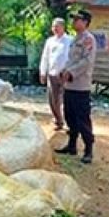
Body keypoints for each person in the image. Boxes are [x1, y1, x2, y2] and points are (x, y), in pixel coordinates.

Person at [56, 10, 98, 163]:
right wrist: (64, 70)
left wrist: (71, 72)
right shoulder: (75, 39)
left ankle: (88, 150)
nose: (74, 22)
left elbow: (87, 62)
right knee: (70, 116)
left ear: (85, 22)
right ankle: (72, 145)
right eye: (73, 19)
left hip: (81, 86)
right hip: (70, 86)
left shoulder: (88, 39)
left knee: (83, 120)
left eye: (77, 19)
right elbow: (71, 59)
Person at [39, 18, 73, 130]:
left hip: (65, 74)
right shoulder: (50, 41)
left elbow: (73, 57)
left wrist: (69, 71)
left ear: (63, 27)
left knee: (67, 100)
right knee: (53, 99)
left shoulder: (70, 40)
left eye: (57, 26)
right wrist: (42, 72)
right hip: (52, 73)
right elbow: (45, 57)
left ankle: (69, 123)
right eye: (53, 26)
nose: (55, 29)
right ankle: (58, 120)